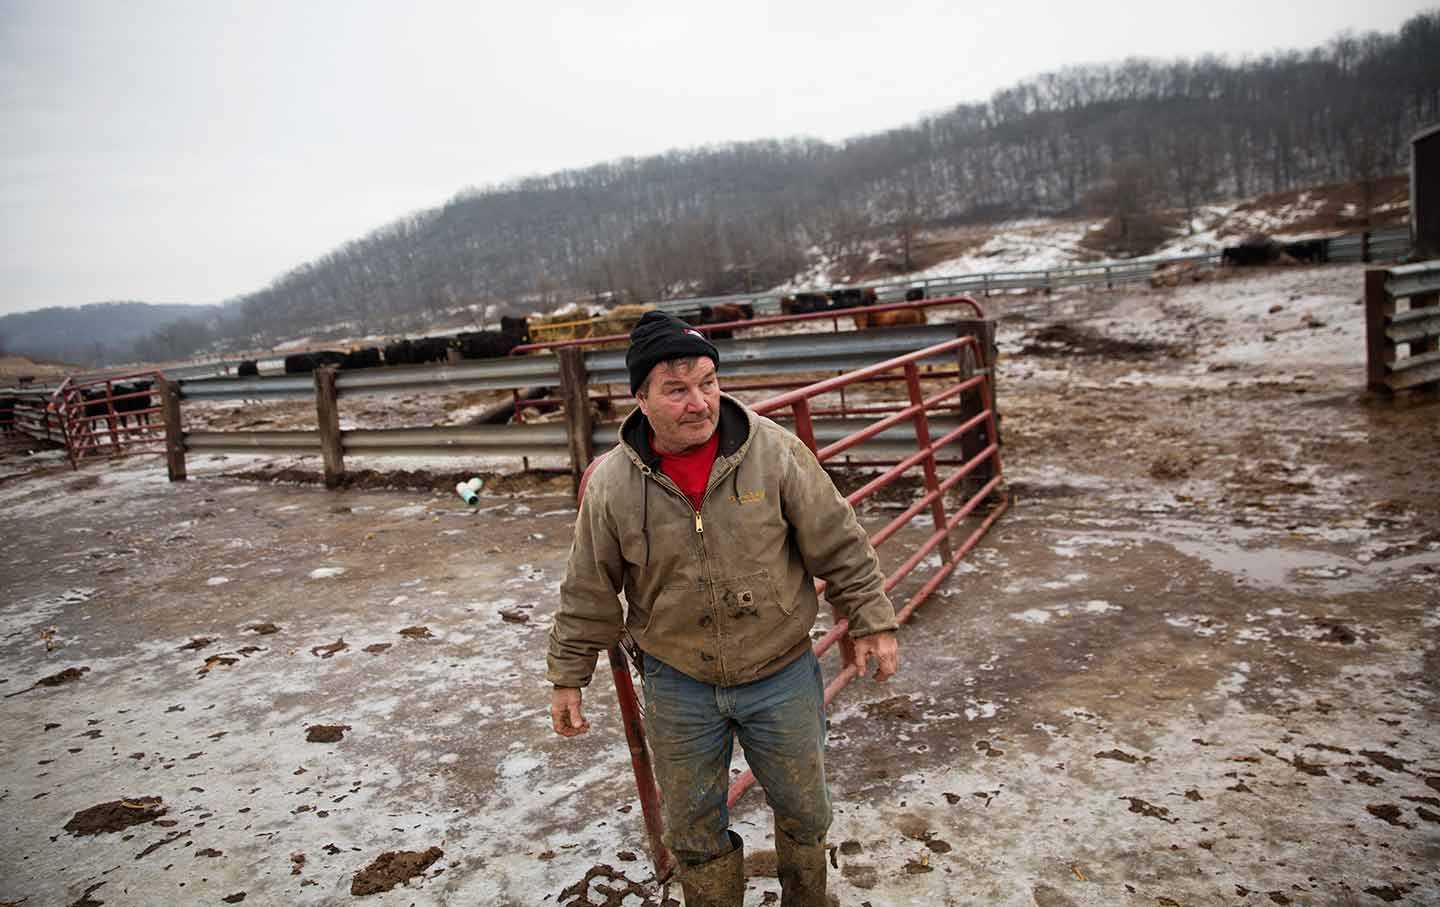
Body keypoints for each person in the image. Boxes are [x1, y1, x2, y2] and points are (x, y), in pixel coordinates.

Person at [547, 311, 900, 906]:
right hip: (677, 681)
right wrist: (567, 676)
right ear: (640, 398)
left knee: (805, 811)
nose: (699, 402)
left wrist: (872, 620)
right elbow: (588, 587)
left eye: (708, 382)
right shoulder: (612, 485)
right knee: (691, 829)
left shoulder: (773, 452)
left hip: (780, 672)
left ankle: (807, 898)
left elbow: (838, 540)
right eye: (676, 389)